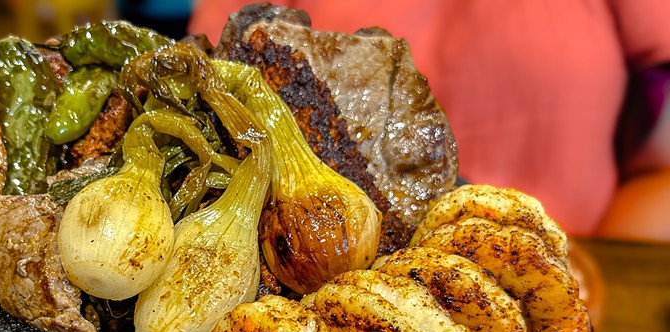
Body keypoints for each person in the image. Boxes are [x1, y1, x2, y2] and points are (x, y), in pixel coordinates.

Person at [187, 0, 670, 241]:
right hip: (327, 266)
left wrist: (589, 268)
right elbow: (209, 106)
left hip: (578, 265)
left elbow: (660, 170)